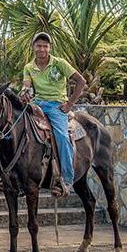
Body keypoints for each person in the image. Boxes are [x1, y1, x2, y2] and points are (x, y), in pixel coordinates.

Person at [19, 32, 87, 197]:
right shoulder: (29, 67)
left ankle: (66, 180)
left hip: (56, 105)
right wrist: (24, 92)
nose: (42, 49)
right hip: (37, 104)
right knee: (17, 126)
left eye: (45, 46)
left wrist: (70, 103)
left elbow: (81, 81)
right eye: (38, 45)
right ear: (33, 47)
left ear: (49, 48)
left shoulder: (60, 63)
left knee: (62, 137)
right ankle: (14, 176)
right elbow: (27, 85)